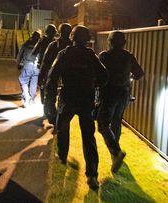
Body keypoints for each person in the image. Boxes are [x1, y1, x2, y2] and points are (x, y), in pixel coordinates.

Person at [44, 25, 108, 189]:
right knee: (89, 137)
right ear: (87, 39)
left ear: (72, 37)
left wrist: (49, 102)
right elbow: (104, 75)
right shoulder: (90, 55)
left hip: (68, 98)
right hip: (86, 99)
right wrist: (94, 86)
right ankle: (92, 175)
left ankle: (63, 156)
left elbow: (52, 78)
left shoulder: (64, 54)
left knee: (62, 128)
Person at [97, 31, 144, 172]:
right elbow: (140, 74)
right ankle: (115, 154)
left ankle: (116, 152)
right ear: (124, 42)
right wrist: (129, 77)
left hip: (109, 94)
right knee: (117, 122)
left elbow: (98, 76)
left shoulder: (104, 56)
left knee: (103, 124)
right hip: (124, 94)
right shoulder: (128, 56)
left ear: (110, 42)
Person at [40, 23, 72, 125]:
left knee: (50, 96)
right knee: (52, 96)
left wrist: (41, 76)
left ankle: (53, 117)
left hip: (56, 75)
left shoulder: (53, 45)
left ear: (59, 32)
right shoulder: (73, 45)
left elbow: (45, 62)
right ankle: (55, 117)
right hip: (64, 76)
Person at [32, 24, 57, 103]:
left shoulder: (43, 40)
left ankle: (44, 102)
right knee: (53, 83)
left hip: (43, 65)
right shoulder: (56, 42)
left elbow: (34, 51)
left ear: (46, 32)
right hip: (54, 66)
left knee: (43, 83)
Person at [17, 31, 41, 107]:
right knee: (34, 83)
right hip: (36, 67)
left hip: (27, 65)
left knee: (23, 80)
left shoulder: (26, 43)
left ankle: (26, 95)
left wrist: (18, 63)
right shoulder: (40, 44)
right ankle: (32, 99)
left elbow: (20, 53)